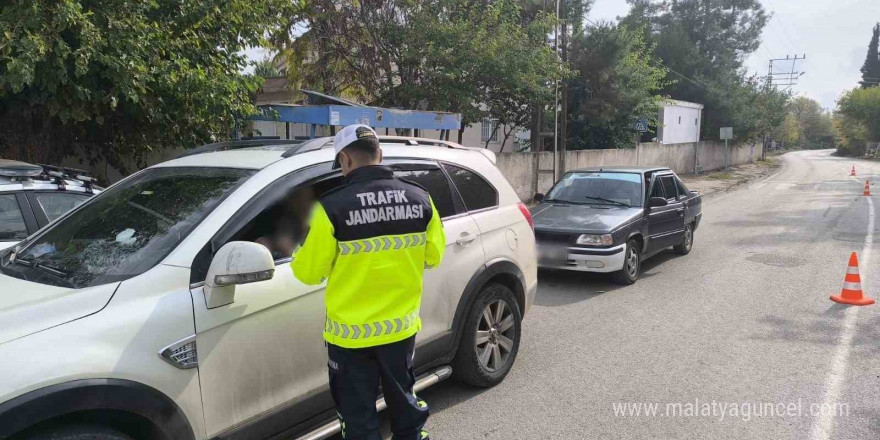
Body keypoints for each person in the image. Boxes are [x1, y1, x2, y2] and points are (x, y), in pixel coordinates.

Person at [292, 124, 445, 440]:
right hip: (399, 331)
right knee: (405, 409)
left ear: (345, 160)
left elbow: (308, 273)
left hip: (350, 339)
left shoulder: (330, 208)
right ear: (380, 154)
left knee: (358, 419)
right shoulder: (421, 198)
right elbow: (434, 256)